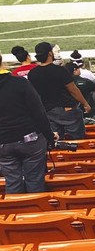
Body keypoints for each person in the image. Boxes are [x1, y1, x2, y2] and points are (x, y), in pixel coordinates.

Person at [0, 54, 54, 194]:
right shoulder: (19, 83)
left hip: (3, 143)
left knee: (12, 181)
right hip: (29, 139)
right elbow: (38, 112)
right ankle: (34, 211)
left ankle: (17, 213)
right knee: (34, 180)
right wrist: (49, 136)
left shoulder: (19, 83)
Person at [27, 42, 90, 140]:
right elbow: (73, 90)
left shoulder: (32, 73)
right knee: (78, 140)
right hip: (66, 109)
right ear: (50, 54)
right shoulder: (60, 70)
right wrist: (85, 104)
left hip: (47, 111)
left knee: (57, 141)